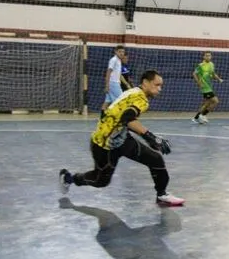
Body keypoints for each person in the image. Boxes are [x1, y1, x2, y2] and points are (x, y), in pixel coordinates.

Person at [59, 69, 185, 207]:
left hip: (122, 139)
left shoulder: (133, 92)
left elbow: (120, 117)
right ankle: (68, 178)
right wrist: (151, 137)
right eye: (157, 85)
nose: (160, 89)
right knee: (101, 181)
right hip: (104, 145)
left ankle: (161, 195)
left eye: (161, 86)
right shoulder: (141, 99)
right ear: (145, 82)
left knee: (155, 159)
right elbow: (127, 118)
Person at [192, 51, 223, 124]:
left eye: (209, 55)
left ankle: (196, 117)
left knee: (207, 103)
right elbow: (194, 74)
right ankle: (203, 115)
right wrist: (199, 83)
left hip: (209, 86)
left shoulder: (211, 64)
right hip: (205, 86)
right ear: (204, 57)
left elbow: (213, 74)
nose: (208, 57)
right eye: (206, 56)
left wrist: (219, 79)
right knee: (215, 101)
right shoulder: (201, 65)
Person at [101, 45, 129, 113]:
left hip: (115, 83)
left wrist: (126, 83)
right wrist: (107, 85)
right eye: (120, 52)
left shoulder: (119, 60)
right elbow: (108, 72)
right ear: (115, 52)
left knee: (107, 101)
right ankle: (118, 117)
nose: (122, 53)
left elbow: (119, 75)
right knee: (122, 99)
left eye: (123, 52)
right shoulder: (114, 60)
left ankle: (102, 118)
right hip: (113, 83)